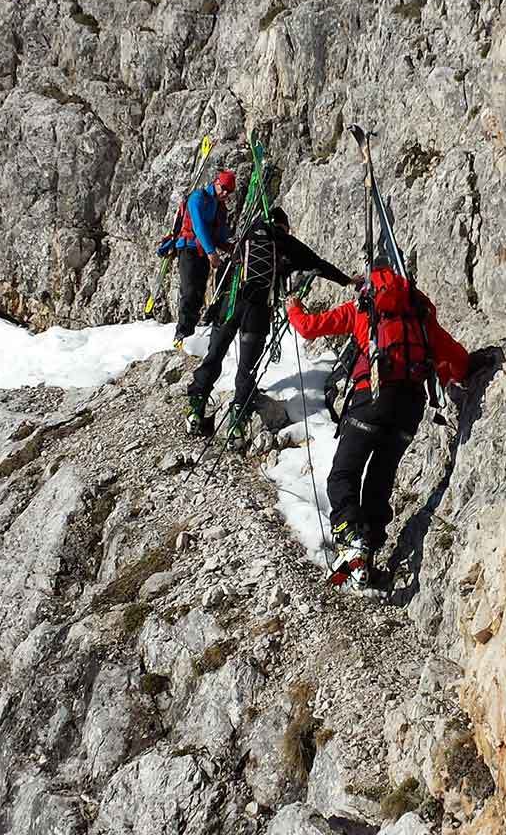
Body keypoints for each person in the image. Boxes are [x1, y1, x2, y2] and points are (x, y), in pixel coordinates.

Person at [286, 260, 469, 591]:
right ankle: (366, 556)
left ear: (370, 283)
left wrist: (294, 308)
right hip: (410, 408)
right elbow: (457, 358)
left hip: (371, 398)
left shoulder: (364, 308)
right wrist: (467, 371)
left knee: (344, 473)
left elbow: (309, 327)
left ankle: (349, 534)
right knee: (380, 479)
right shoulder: (418, 314)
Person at [186, 207, 354, 443]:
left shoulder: (246, 234)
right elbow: (319, 264)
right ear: (284, 226)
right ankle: (237, 420)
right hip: (257, 313)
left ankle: (196, 406)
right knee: (246, 368)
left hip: (230, 305)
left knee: (215, 355)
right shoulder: (284, 241)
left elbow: (224, 266)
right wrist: (347, 281)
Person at [172, 169, 236, 348]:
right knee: (190, 290)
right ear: (216, 183)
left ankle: (192, 330)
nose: (225, 193)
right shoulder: (197, 198)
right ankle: (182, 331)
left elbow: (219, 233)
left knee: (199, 292)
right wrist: (211, 252)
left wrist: (230, 247)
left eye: (229, 191)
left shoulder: (219, 207)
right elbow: (199, 227)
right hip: (189, 248)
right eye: (223, 188)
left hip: (202, 252)